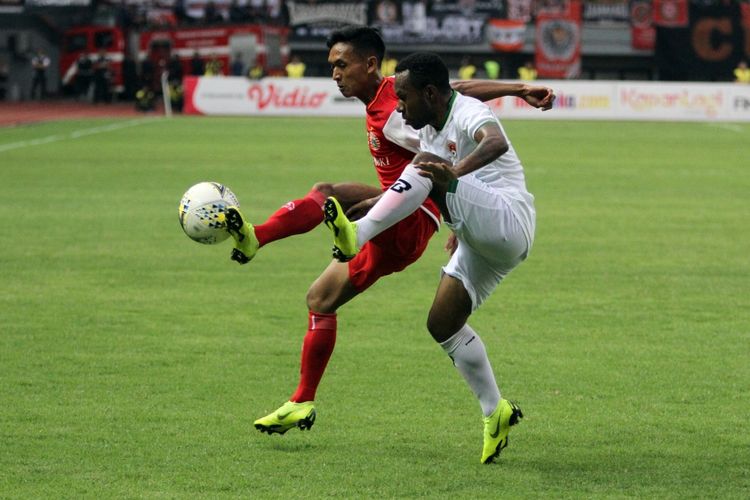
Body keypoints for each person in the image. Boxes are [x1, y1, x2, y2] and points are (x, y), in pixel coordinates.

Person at [223, 27, 553, 446]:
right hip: (459, 223)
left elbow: (474, 128)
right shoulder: (413, 103)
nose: (335, 75)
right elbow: (456, 92)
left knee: (405, 172)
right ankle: (493, 411)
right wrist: (519, 88)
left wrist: (446, 188)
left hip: (443, 220)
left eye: (341, 65)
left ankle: (337, 233)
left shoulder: (401, 107)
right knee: (332, 301)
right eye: (332, 67)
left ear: (372, 65)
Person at [322, 52, 535, 464]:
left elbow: (495, 142)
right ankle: (497, 412)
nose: (398, 106)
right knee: (442, 323)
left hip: (508, 221)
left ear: (431, 94)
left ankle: (358, 237)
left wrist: (453, 177)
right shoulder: (431, 128)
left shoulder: (468, 112)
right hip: (478, 236)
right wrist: (377, 200)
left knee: (428, 166)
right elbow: (430, 181)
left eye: (403, 97)